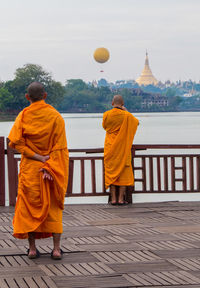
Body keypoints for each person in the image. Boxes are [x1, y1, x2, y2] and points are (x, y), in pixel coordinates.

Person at [8, 82, 69, 259]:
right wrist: (48, 164)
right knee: (54, 207)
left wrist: (36, 157)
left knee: (29, 208)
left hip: (31, 169)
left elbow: (16, 143)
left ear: (27, 97)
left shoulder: (23, 116)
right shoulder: (55, 116)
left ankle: (32, 249)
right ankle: (56, 249)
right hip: (51, 168)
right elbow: (60, 147)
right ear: (45, 95)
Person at [102, 95, 139, 205]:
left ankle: (113, 199)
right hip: (123, 148)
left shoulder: (106, 115)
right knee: (123, 172)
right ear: (122, 104)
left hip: (110, 148)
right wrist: (126, 111)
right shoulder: (126, 116)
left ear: (112, 103)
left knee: (112, 172)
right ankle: (121, 199)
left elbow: (105, 127)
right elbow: (136, 123)